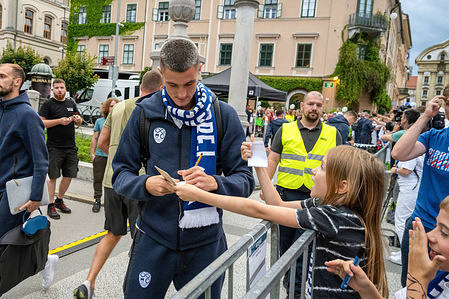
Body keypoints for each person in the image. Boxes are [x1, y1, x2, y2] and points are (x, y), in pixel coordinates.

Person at [111, 39, 254, 298]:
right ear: (161, 74)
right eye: (172, 85)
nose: (181, 94)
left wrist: (214, 184)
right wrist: (145, 185)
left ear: (200, 69)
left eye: (189, 83)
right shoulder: (144, 114)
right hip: (153, 238)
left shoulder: (224, 115)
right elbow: (120, 174)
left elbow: (245, 181)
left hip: (206, 243)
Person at [175, 145, 388, 298]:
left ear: (342, 187)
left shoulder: (335, 216)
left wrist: (199, 195)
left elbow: (261, 210)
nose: (313, 170)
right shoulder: (328, 206)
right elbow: (276, 204)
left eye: (322, 167)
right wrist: (259, 164)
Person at [73, 70, 163, 299]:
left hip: (112, 180)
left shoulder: (119, 107)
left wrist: (117, 154)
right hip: (138, 182)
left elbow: (102, 142)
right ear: (160, 89)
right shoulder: (151, 108)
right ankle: (132, 289)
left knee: (112, 233)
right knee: (141, 238)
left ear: (140, 86)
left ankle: (89, 281)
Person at [265, 90, 341, 295]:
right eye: (310, 104)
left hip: (315, 200)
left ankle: (296, 288)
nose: (314, 108)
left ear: (322, 108)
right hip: (285, 195)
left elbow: (341, 167)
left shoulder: (333, 134)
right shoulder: (285, 130)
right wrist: (268, 186)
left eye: (318, 105)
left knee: (302, 248)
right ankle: (290, 279)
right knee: (285, 243)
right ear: (302, 107)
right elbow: (273, 159)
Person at [0, 63, 58, 291]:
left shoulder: (27, 115)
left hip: (12, 193)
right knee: (11, 243)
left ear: (16, 82)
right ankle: (46, 261)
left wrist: (35, 197)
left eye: (2, 76)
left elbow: (41, 160)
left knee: (5, 244)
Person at [326, 196, 449, 299]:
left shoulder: (429, 277)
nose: (429, 235)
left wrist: (417, 278)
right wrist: (364, 288)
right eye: (435, 225)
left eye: (444, 232)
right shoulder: (441, 274)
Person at [392, 91, 449, 287]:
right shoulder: (435, 136)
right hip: (419, 225)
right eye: (448, 103)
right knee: (410, 287)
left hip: (446, 235)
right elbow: (398, 152)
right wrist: (425, 116)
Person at [39, 78, 82, 219]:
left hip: (70, 147)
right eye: (56, 88)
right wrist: (59, 121)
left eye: (61, 87)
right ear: (52, 90)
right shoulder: (48, 104)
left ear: (65, 89)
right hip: (54, 147)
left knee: (69, 175)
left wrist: (78, 120)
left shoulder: (70, 103)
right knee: (52, 177)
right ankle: (50, 205)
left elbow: (79, 120)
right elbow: (41, 123)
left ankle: (59, 200)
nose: (59, 90)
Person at [89, 97, 119, 213]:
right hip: (101, 155)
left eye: (115, 106)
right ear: (107, 108)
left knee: (115, 179)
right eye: (111, 106)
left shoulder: (120, 120)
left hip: (115, 156)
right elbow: (95, 138)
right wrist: (92, 154)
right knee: (98, 179)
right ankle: (97, 200)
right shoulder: (100, 121)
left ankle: (113, 202)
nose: (113, 108)